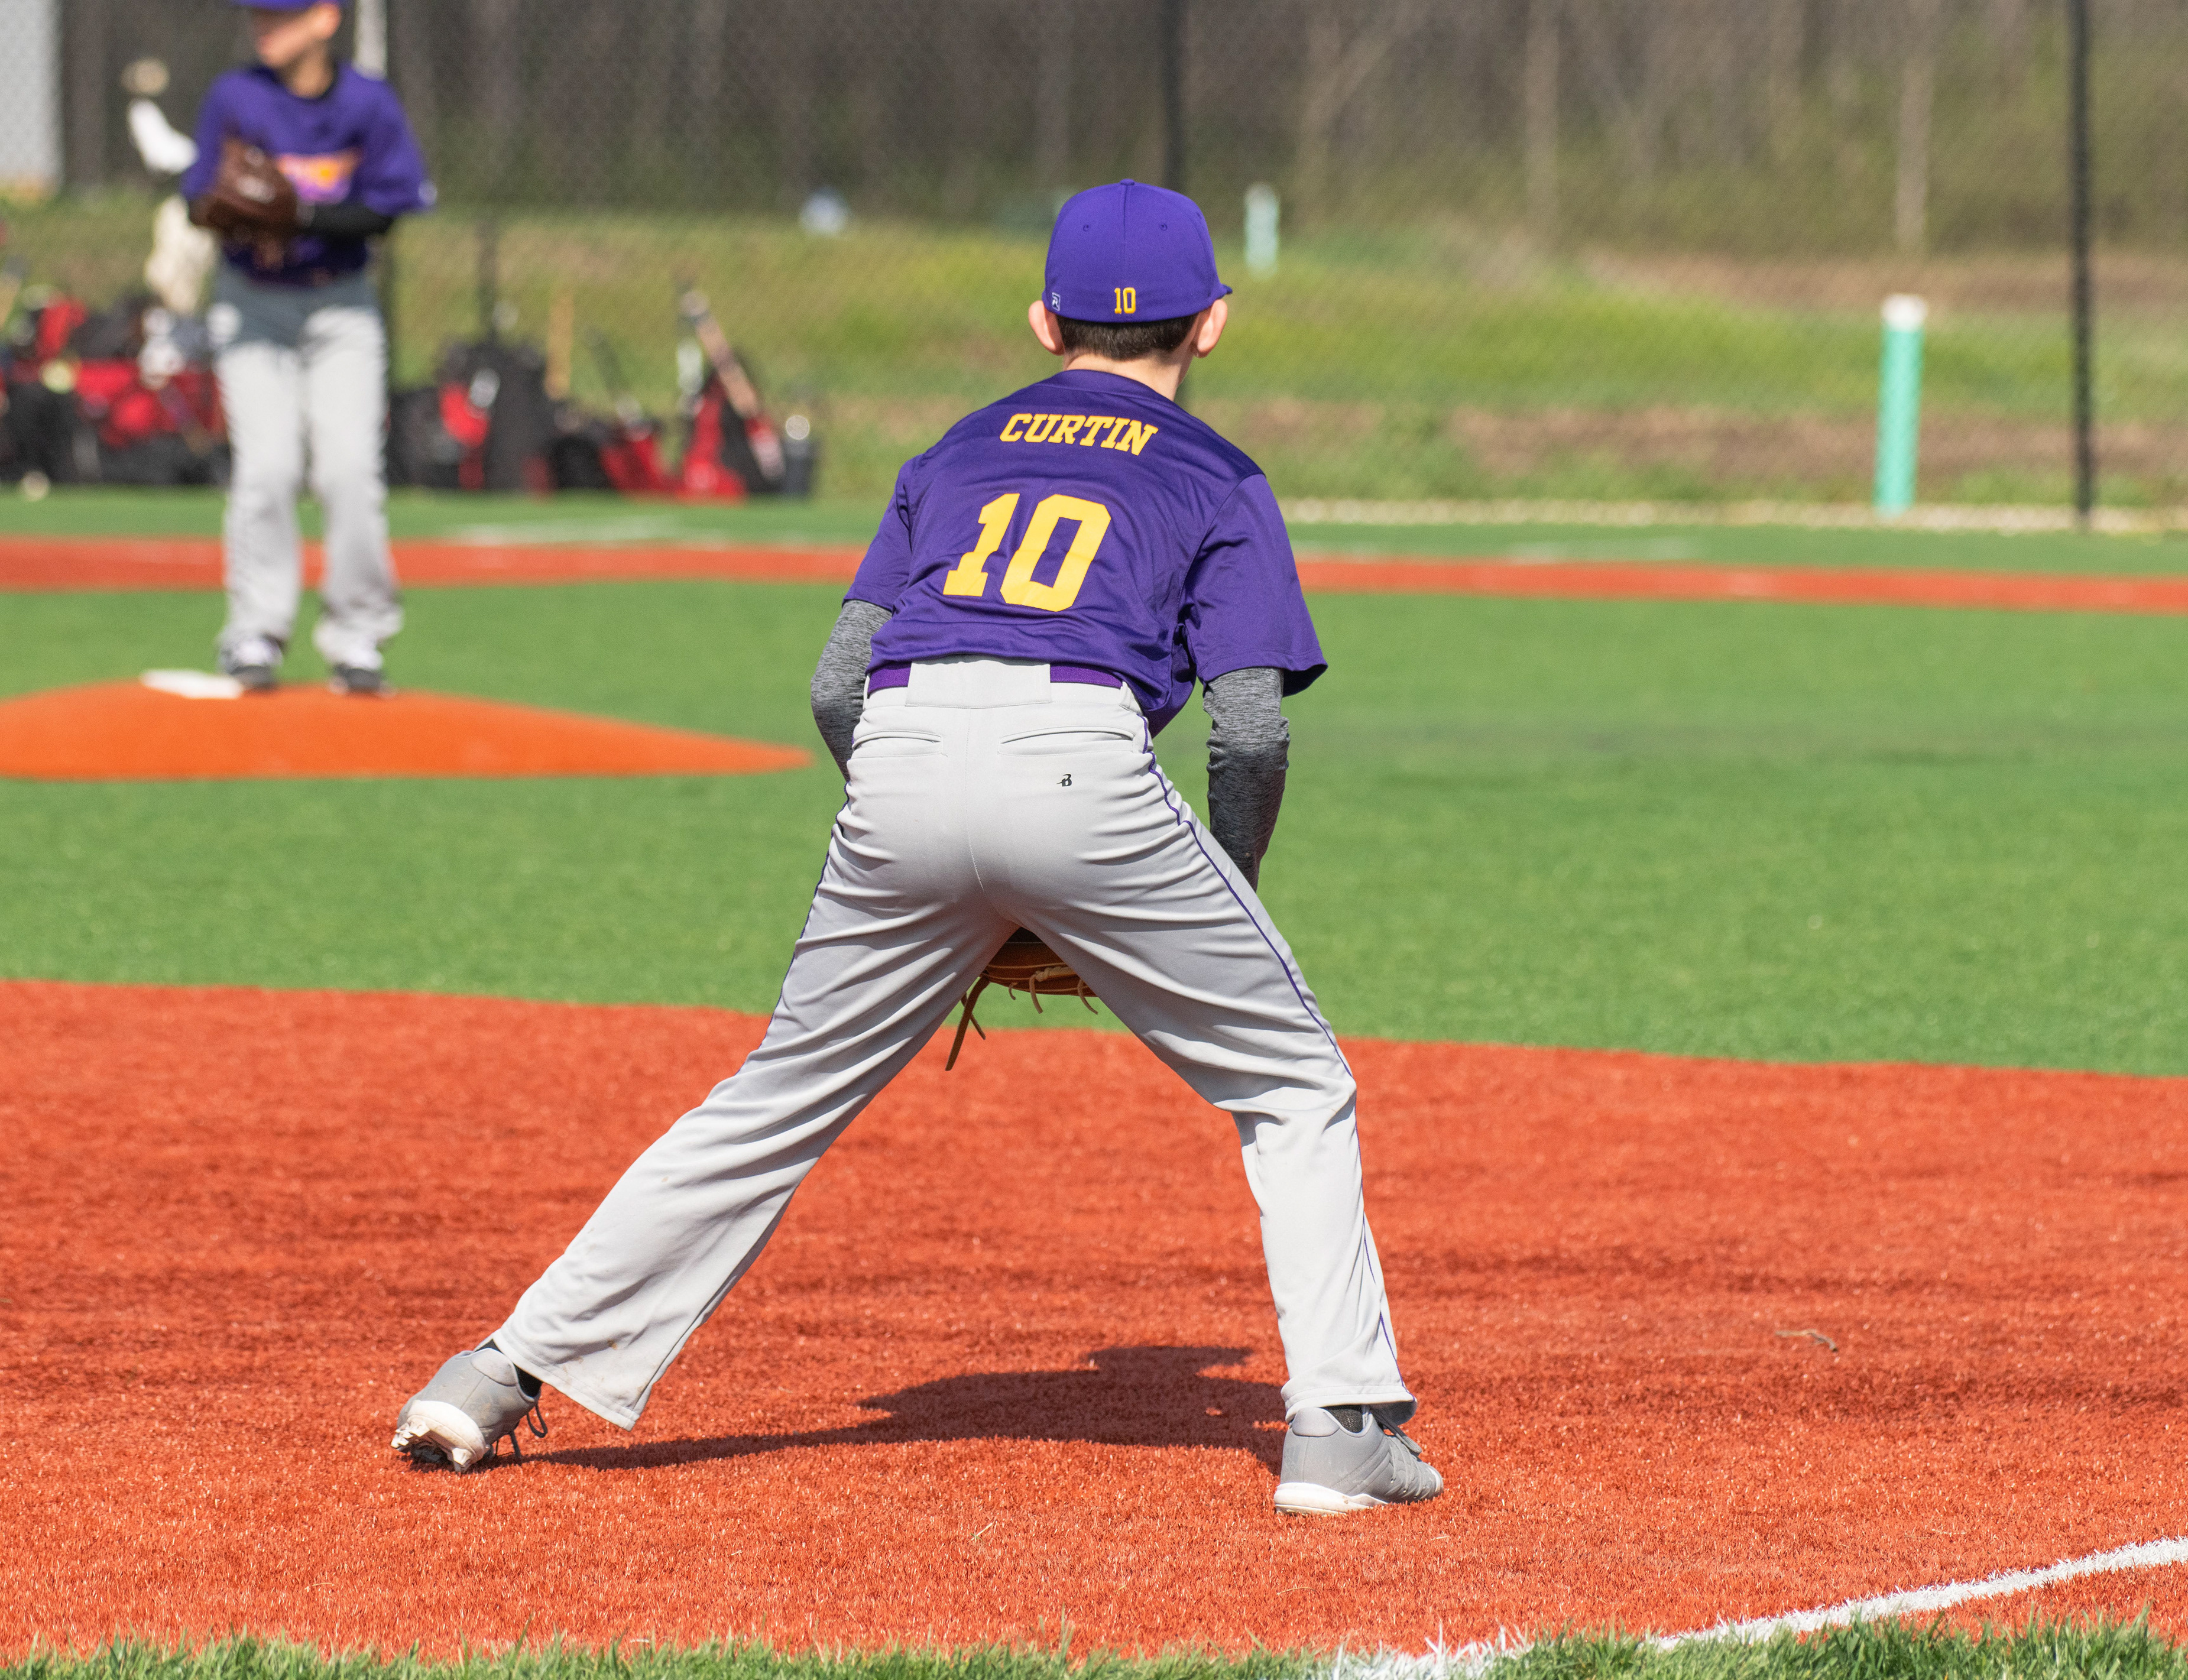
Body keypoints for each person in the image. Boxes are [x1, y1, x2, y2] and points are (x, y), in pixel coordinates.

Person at [393, 181, 1442, 1516]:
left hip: (898, 752)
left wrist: (941, 854)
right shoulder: (1216, 472)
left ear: (1044, 321)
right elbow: (1248, 731)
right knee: (1292, 1083)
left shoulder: (953, 452)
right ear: (1212, 325)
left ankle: (493, 1375)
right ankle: (1340, 1430)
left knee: (773, 1098)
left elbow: (837, 682)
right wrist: (1195, 898)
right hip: (1081, 766)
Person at [183, 2, 432, 695]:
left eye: (282, 14)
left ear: (325, 18)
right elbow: (195, 198)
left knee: (349, 469)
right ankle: (254, 633)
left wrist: (299, 214)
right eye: (259, 14)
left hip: (341, 307)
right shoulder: (235, 97)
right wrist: (225, 209)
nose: (265, 25)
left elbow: (388, 209)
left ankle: (359, 636)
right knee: (267, 467)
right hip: (253, 302)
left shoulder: (366, 102)